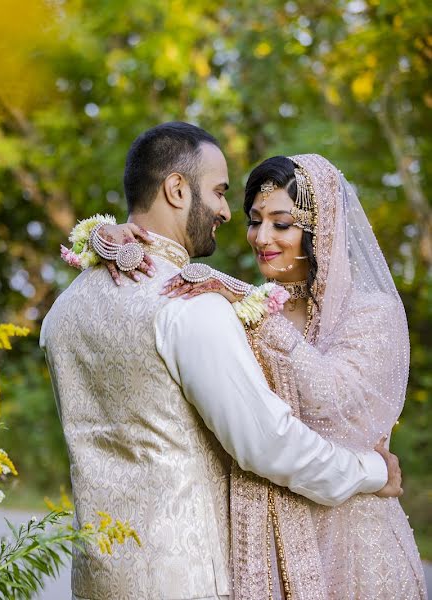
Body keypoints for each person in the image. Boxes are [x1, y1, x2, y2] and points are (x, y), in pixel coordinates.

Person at [40, 122, 402, 600]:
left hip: (99, 576)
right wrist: (374, 471)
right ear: (175, 189)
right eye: (219, 192)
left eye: (281, 221)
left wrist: (106, 240)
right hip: (188, 576)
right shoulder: (191, 304)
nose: (228, 213)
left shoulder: (62, 311)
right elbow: (267, 443)